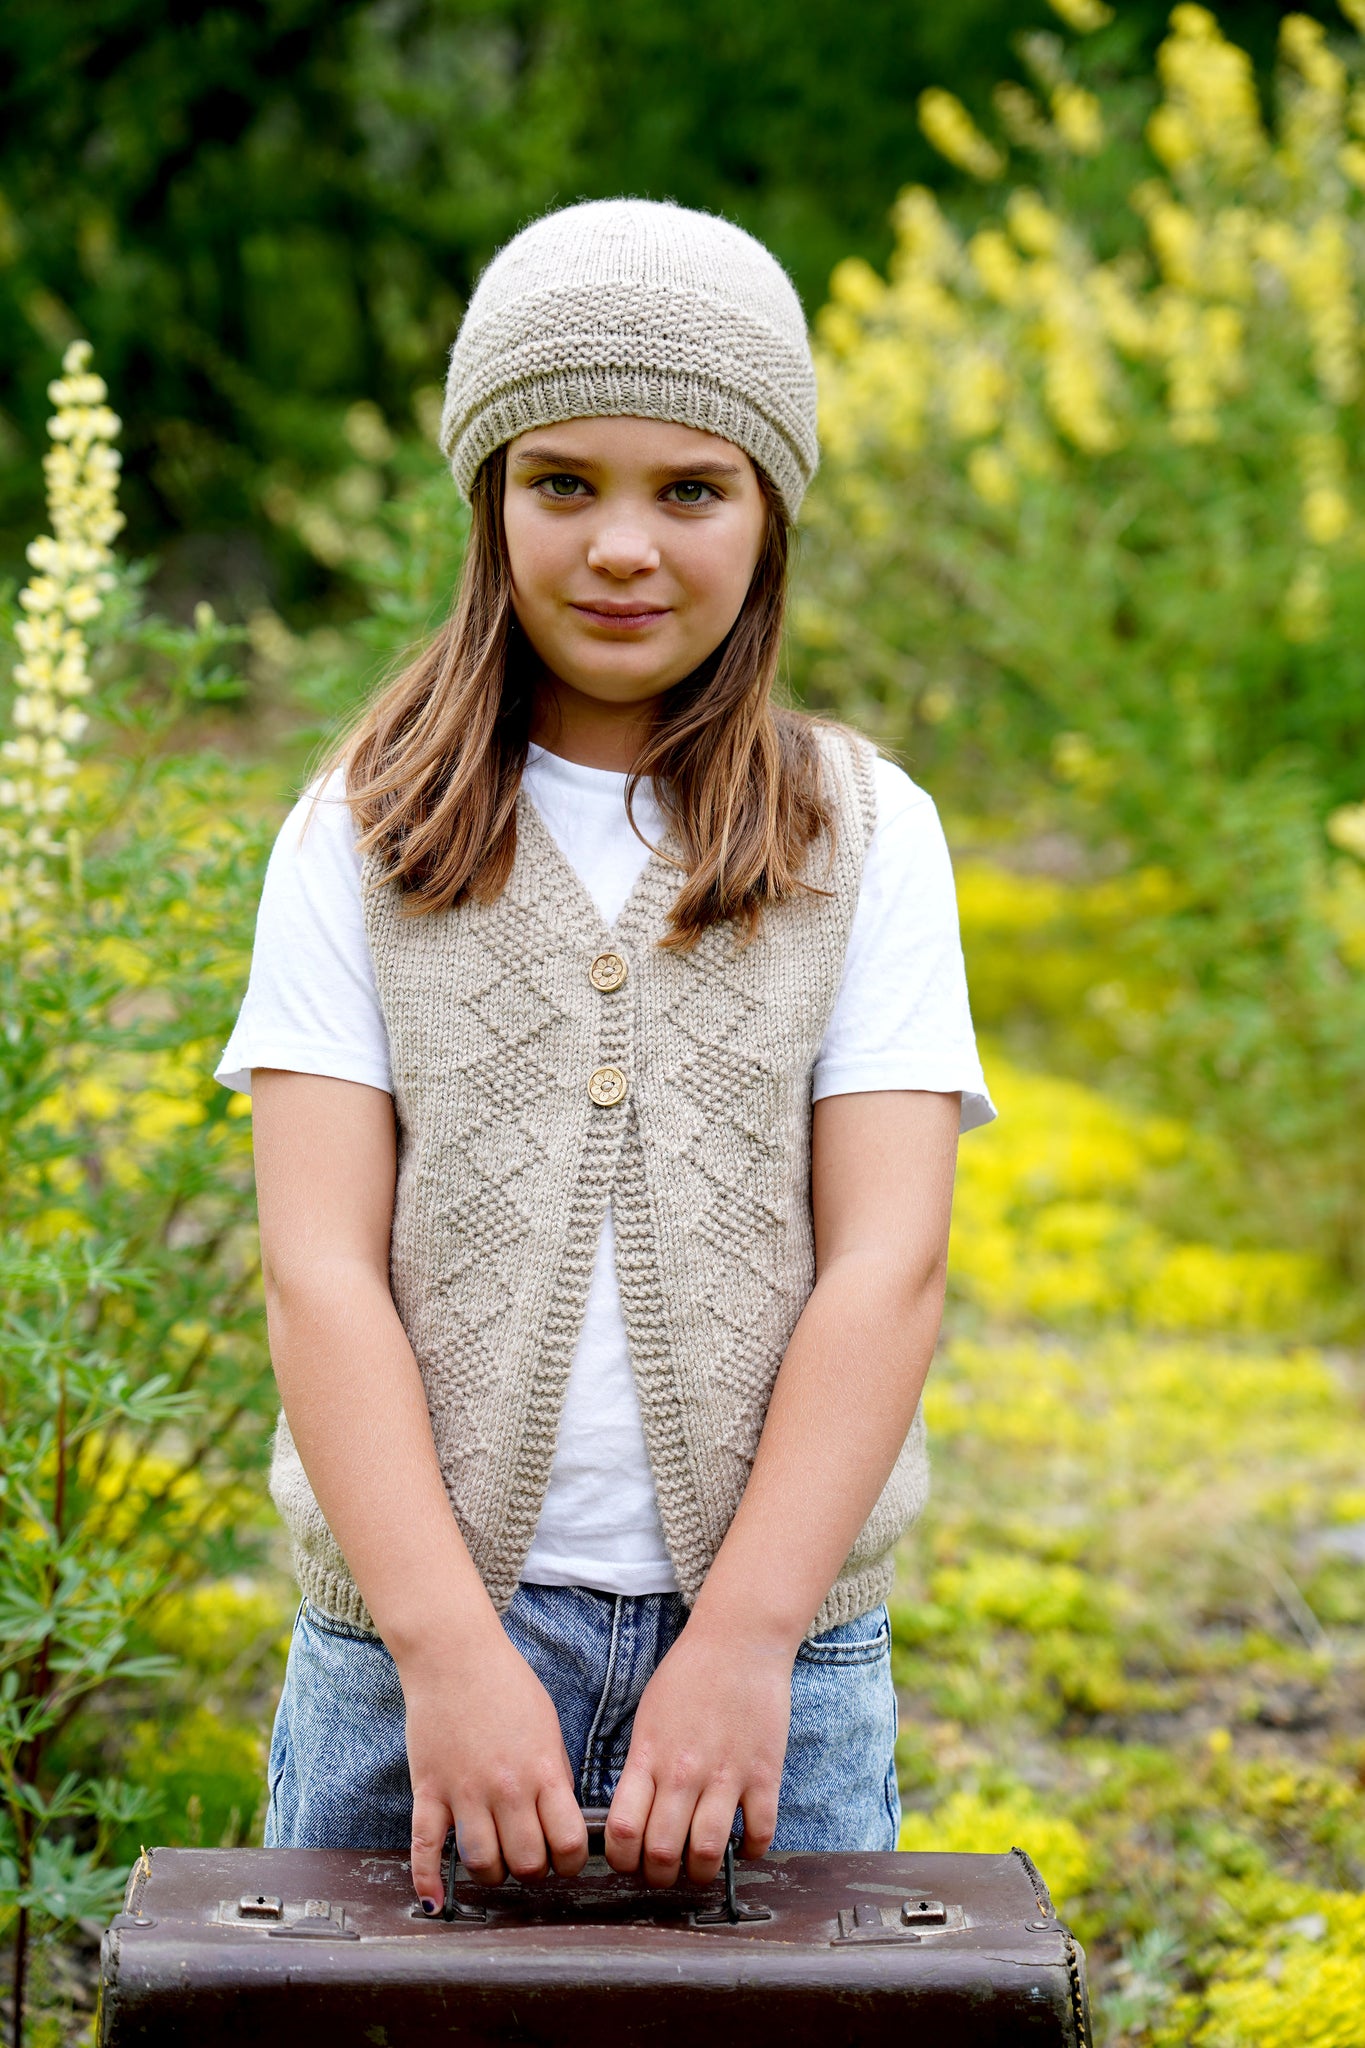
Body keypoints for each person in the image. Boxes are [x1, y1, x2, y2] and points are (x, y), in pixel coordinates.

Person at [215, 198, 994, 1916]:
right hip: (406, 1661)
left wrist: (750, 1639)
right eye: (561, 482)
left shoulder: (865, 835)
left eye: (690, 490)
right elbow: (317, 1270)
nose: (621, 547)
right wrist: (442, 1650)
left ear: (768, 512)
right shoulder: (358, 833)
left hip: (776, 1662)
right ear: (487, 500)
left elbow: (888, 1264)